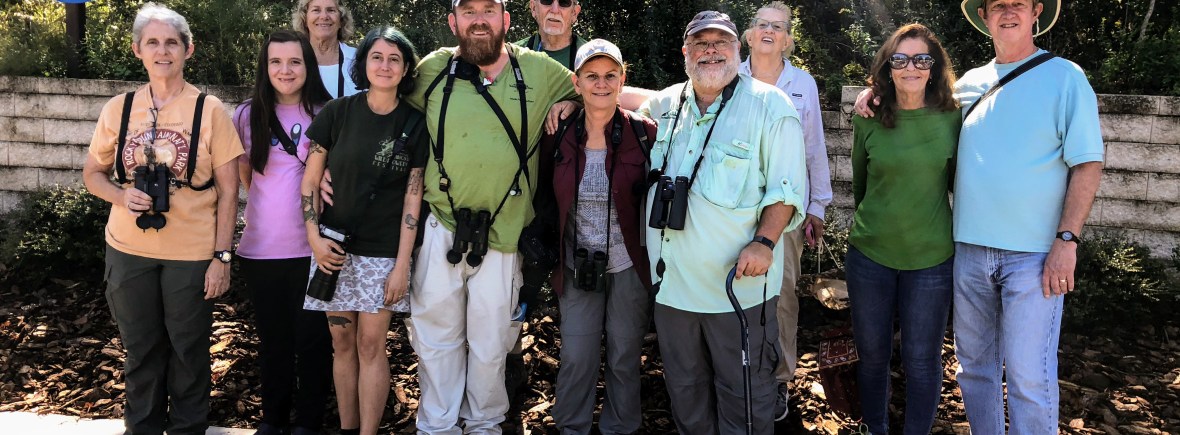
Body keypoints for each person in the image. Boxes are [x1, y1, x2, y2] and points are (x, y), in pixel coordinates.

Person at [855, 1, 1105, 432]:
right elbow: (914, 108)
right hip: (969, 251)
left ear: (1036, 12)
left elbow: (1087, 163)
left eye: (1018, 4)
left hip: (1033, 255)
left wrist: (1067, 241)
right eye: (998, 5)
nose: (1008, 12)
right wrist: (872, 92)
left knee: (1028, 377)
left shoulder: (1065, 76)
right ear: (986, 17)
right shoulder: (967, 87)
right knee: (974, 371)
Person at [402, 0, 578, 432]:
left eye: (488, 9)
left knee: (491, 342)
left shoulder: (541, 71)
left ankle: (484, 423)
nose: (478, 19)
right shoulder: (432, 69)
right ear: (453, 21)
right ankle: (437, 424)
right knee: (435, 337)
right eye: (468, 11)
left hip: (505, 235)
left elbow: (598, 88)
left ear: (506, 19)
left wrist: (570, 103)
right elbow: (382, 103)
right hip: (441, 225)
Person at [636, 11, 807, 434]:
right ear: (685, 52)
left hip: (738, 290)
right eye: (700, 43)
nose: (711, 51)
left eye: (721, 42)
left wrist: (764, 242)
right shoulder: (666, 104)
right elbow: (606, 98)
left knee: (744, 396)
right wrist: (569, 98)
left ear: (738, 49)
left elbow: (786, 191)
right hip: (672, 287)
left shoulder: (771, 106)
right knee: (685, 391)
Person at [81, 3, 242, 434]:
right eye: (152, 42)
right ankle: (143, 428)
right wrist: (121, 194)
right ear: (138, 50)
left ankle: (188, 430)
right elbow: (92, 174)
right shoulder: (118, 108)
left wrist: (222, 257)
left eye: (172, 42)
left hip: (191, 254)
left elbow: (230, 191)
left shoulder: (210, 112)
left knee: (189, 352)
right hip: (128, 251)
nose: (162, 50)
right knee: (141, 351)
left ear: (189, 49)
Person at [300, 26, 429, 435]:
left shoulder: (415, 123)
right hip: (332, 249)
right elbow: (310, 181)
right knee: (341, 344)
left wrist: (402, 265)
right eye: (377, 56)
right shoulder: (337, 112)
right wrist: (313, 239)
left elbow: (414, 198)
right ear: (364, 63)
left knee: (371, 346)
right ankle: (347, 428)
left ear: (406, 67)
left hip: (383, 253)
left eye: (394, 58)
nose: (385, 65)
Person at [847, 23, 959, 435]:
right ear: (888, 67)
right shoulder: (870, 117)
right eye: (900, 59)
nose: (910, 67)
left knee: (922, 360)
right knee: (872, 356)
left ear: (934, 68)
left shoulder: (953, 118)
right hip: (869, 258)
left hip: (931, 261)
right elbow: (860, 185)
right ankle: (874, 427)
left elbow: (957, 183)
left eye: (921, 59)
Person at [542, 39, 656, 435]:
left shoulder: (645, 133)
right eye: (592, 76)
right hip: (576, 265)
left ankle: (620, 427)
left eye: (611, 76)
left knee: (625, 355)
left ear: (623, 80)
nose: (601, 84)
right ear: (577, 82)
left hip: (628, 264)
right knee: (577, 354)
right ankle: (571, 426)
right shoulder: (557, 134)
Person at [231, 30, 335, 435]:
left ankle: (308, 422)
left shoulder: (328, 112)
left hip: (314, 249)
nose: (285, 70)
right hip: (261, 250)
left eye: (295, 61)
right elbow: (245, 177)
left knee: (313, 343)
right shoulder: (245, 114)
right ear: (265, 67)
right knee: (273, 343)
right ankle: (272, 420)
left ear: (308, 66)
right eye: (276, 62)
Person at [738, 1, 832, 420]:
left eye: (778, 26)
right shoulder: (729, 76)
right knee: (733, 292)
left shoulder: (802, 84)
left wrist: (818, 206)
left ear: (788, 38)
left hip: (787, 212)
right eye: (762, 25)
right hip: (733, 208)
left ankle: (778, 380)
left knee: (782, 297)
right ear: (749, 34)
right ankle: (736, 374)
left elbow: (814, 149)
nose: (769, 32)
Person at [292, 0, 360, 97]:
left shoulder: (358, 60)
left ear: (341, 20)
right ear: (305, 19)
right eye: (316, 10)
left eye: (331, 10)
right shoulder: (291, 60)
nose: (324, 16)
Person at [515, 0, 586, 70]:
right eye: (547, 1)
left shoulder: (590, 56)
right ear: (534, 8)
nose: (555, 10)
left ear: (574, 13)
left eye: (564, 3)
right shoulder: (512, 56)